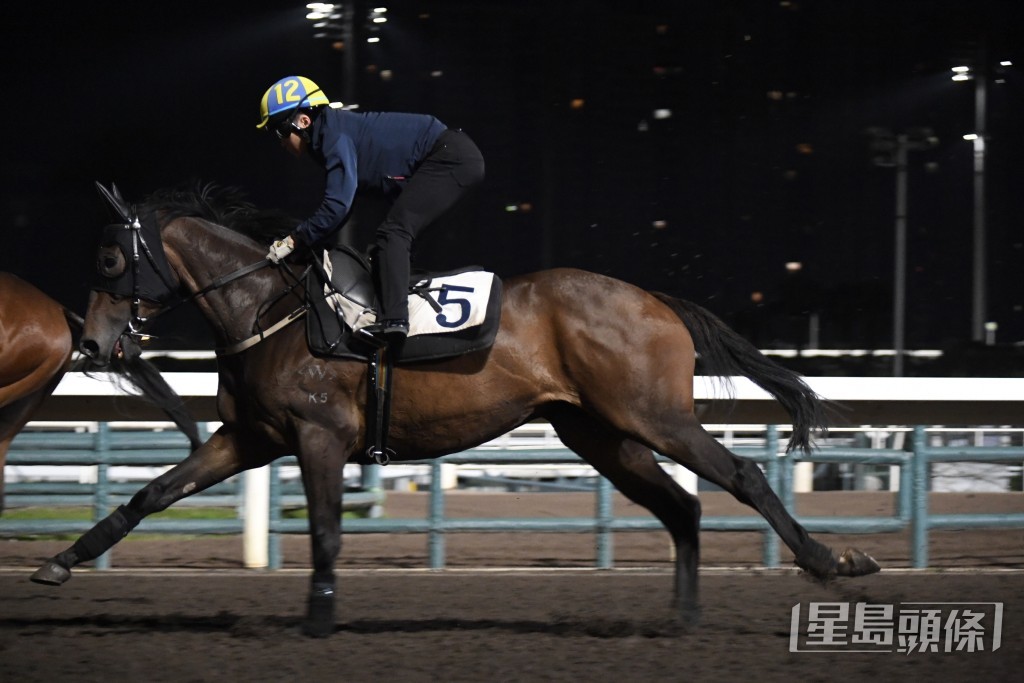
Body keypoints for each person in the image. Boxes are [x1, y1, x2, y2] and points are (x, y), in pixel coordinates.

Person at [257, 75, 485, 343]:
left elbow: (338, 206)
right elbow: (344, 206)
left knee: (392, 236)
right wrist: (309, 243)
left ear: (303, 121)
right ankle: (401, 314)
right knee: (383, 252)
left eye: (279, 131)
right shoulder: (329, 135)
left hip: (450, 158)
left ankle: (396, 322)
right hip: (447, 156)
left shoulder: (333, 135)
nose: (280, 142)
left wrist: (296, 239)